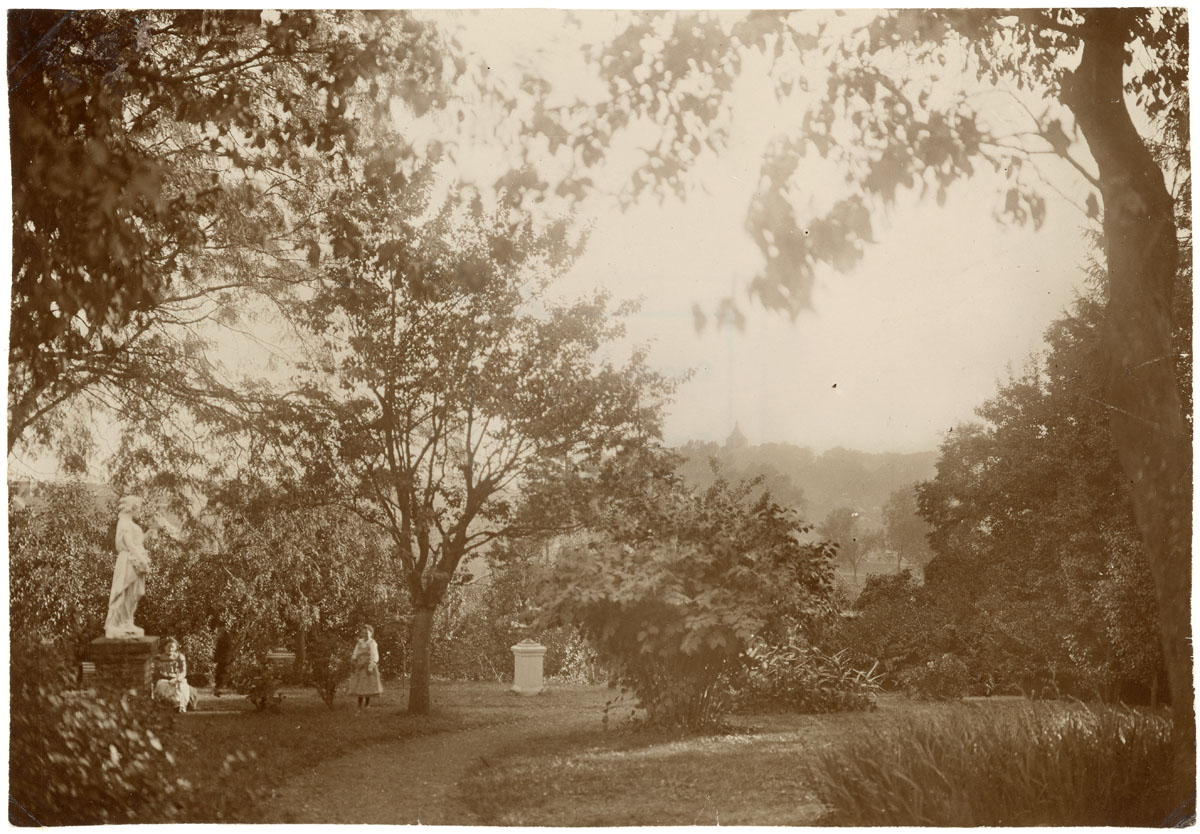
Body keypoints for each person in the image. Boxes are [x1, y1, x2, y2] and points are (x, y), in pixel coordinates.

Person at [106, 496, 150, 639]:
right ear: (133, 508)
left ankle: (127, 620)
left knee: (136, 592)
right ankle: (122, 622)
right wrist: (143, 559)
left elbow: (137, 542)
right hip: (128, 561)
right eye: (139, 508)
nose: (140, 511)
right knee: (127, 592)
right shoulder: (124, 522)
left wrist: (149, 533)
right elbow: (130, 544)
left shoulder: (129, 522)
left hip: (133, 560)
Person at [153, 637, 198, 713]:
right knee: (161, 685)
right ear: (164, 647)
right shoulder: (159, 658)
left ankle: (181, 706)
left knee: (181, 686)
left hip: (177, 678)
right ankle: (165, 706)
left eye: (172, 647)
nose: (170, 649)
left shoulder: (179, 657)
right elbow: (156, 672)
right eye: (168, 647)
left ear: (175, 648)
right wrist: (163, 676)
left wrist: (177, 679)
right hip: (164, 679)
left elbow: (183, 671)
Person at [347, 625, 383, 710]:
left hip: (367, 665)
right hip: (360, 665)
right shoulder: (359, 642)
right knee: (359, 684)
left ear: (371, 633)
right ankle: (359, 704)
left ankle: (367, 704)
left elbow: (374, 655)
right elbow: (356, 652)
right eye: (363, 633)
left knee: (367, 684)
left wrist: (371, 666)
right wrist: (354, 658)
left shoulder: (372, 643)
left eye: (367, 633)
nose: (365, 635)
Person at [212, 622, 233, 697]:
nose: (218, 629)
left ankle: (220, 689)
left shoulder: (227, 636)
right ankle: (218, 689)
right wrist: (215, 658)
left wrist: (228, 658)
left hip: (225, 658)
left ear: (223, 627)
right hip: (221, 659)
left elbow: (229, 648)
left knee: (223, 673)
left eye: (220, 627)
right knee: (220, 673)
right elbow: (218, 649)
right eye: (218, 627)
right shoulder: (221, 636)